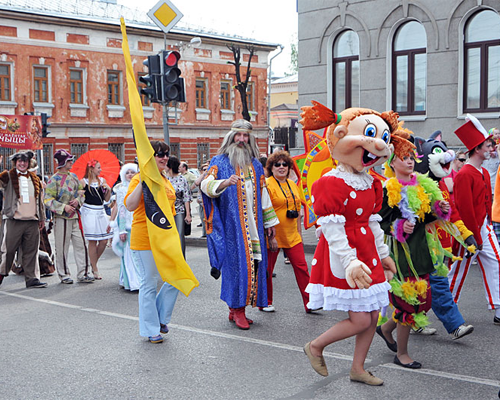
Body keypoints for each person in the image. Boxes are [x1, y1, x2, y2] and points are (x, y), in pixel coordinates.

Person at [299, 104, 397, 385]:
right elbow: (330, 227)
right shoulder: (330, 182)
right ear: (339, 135)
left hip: (368, 251)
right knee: (361, 320)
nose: (378, 145)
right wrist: (349, 260)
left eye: (383, 138)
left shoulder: (372, 182)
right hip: (346, 252)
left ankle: (358, 368)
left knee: (374, 314)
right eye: (370, 135)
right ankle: (316, 346)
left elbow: (373, 222)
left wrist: (383, 254)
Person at [377, 129, 451, 370]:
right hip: (401, 253)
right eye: (404, 157)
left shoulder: (419, 185)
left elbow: (424, 217)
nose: (410, 161)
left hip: (420, 248)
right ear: (392, 162)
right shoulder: (388, 189)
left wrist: (438, 209)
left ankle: (386, 329)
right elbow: (380, 221)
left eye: (412, 157)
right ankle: (402, 353)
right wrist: (398, 226)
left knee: (420, 299)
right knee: (409, 300)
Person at [201, 119, 279, 330]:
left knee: (253, 266)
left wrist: (270, 223)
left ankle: (235, 309)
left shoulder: (255, 164)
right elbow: (205, 184)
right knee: (236, 268)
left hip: (254, 227)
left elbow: (264, 195)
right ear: (231, 137)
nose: (242, 140)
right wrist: (224, 183)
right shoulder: (219, 162)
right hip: (231, 228)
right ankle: (238, 310)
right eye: (238, 135)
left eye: (246, 136)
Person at [125, 140, 180, 343]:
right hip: (144, 238)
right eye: (159, 154)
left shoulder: (166, 181)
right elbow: (130, 205)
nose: (164, 157)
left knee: (175, 278)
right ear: (150, 158)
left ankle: (160, 318)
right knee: (148, 284)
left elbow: (171, 214)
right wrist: (142, 182)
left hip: (165, 238)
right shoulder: (139, 179)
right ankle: (151, 329)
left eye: (166, 154)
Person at [449, 115, 500, 325]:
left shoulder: (485, 173)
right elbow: (465, 209)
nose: (492, 148)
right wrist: (472, 235)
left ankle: (498, 308)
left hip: (483, 228)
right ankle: (444, 308)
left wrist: (485, 226)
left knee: (496, 262)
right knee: (457, 272)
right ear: (477, 149)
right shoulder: (464, 175)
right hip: (467, 232)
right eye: (488, 145)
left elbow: (485, 204)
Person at [263, 150, 311, 312]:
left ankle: (310, 302)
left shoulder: (292, 184)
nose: (282, 167)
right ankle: (266, 301)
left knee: (302, 268)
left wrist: (299, 233)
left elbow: (297, 210)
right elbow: (264, 211)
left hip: (292, 235)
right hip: (273, 236)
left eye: (285, 164)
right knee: (268, 271)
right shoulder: (267, 184)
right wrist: (270, 237)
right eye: (277, 165)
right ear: (271, 167)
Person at [44, 149, 93, 284]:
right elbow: (47, 199)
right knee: (62, 247)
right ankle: (64, 273)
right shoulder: (53, 180)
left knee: (81, 244)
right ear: (63, 162)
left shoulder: (74, 177)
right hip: (61, 218)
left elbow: (80, 193)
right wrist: (63, 207)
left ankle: (83, 272)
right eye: (69, 160)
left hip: (75, 216)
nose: (71, 162)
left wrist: (78, 200)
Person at [0, 151, 47, 288]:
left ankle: (31, 278)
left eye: (25, 161)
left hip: (32, 220)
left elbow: (40, 202)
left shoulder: (35, 178)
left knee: (31, 250)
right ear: (15, 162)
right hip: (14, 219)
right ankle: (2, 272)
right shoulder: (8, 176)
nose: (22, 164)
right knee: (8, 250)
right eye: (19, 161)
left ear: (28, 163)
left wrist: (42, 218)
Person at [79, 160, 112, 280]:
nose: (100, 170)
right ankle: (95, 268)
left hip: (100, 211)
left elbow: (106, 199)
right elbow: (79, 197)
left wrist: (108, 189)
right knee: (92, 241)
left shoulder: (102, 181)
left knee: (104, 240)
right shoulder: (83, 182)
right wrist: (80, 194)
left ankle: (93, 263)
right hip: (89, 212)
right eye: (98, 167)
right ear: (91, 169)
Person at [111, 163, 140, 291]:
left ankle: (130, 280)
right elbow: (121, 210)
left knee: (139, 255)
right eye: (127, 173)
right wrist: (121, 229)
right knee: (129, 256)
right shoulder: (122, 189)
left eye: (132, 172)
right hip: (128, 225)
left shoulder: (139, 187)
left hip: (139, 224)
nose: (129, 175)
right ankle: (132, 282)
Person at [165, 156, 192, 257]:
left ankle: (181, 259)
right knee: (167, 236)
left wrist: (188, 214)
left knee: (180, 235)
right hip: (166, 211)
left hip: (179, 210)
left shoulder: (182, 179)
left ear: (170, 166)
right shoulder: (164, 179)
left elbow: (186, 197)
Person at [192, 163, 209, 237]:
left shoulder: (211, 177)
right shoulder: (201, 177)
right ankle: (204, 234)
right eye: (204, 169)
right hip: (201, 202)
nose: (206, 171)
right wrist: (203, 175)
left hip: (209, 202)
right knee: (203, 218)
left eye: (207, 169)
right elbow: (195, 184)